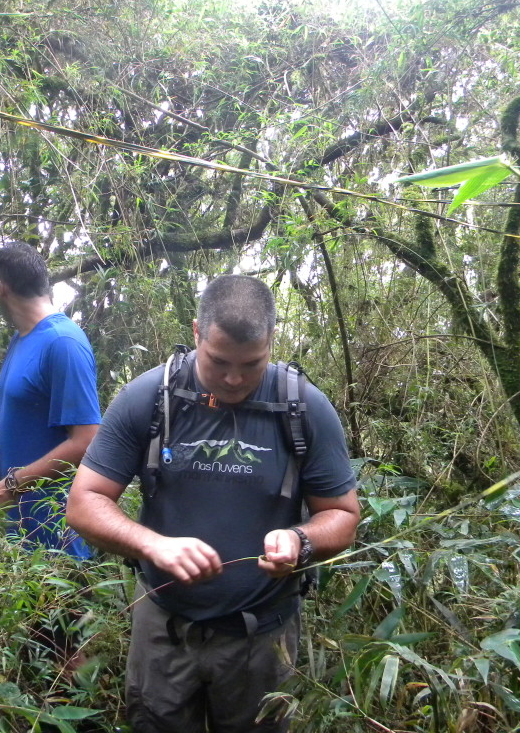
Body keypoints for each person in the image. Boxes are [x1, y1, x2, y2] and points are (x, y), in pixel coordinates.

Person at [67, 275, 360, 733]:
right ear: (197, 333)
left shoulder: (302, 406)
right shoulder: (150, 397)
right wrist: (152, 545)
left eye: (252, 364)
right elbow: (84, 502)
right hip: (165, 631)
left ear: (271, 342)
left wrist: (300, 540)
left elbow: (342, 515)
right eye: (219, 361)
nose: (234, 379)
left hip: (260, 636)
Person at [0, 241, 101, 560]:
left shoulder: (63, 343)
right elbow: (10, 426)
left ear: (0, 288)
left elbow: (86, 440)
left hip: (56, 533)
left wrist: (11, 484)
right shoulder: (20, 339)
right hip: (17, 534)